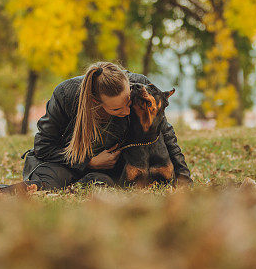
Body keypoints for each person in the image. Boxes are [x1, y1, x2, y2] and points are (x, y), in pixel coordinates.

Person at [12, 61, 192, 192]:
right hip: (65, 162)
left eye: (128, 102)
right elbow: (44, 147)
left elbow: (164, 130)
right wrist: (89, 161)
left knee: (104, 184)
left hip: (111, 170)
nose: (126, 111)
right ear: (95, 102)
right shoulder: (66, 94)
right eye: (116, 108)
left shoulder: (139, 85)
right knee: (47, 186)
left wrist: (184, 176)